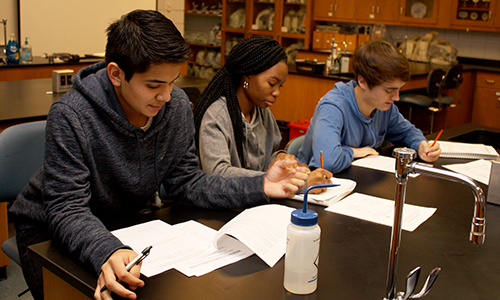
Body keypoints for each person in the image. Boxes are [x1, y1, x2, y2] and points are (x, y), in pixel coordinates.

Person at [8, 10, 308, 300]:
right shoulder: (72, 115)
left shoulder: (175, 106)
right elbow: (68, 209)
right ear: (116, 74)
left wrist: (261, 186)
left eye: (172, 82)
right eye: (154, 85)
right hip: (48, 228)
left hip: (123, 222)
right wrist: (107, 249)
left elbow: (187, 182)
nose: (166, 96)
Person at [193, 35, 331, 192]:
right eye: (271, 83)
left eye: (281, 86)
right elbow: (217, 173)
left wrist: (279, 159)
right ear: (247, 76)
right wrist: (287, 181)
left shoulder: (261, 110)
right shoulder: (217, 116)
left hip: (256, 200)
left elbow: (268, 156)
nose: (277, 92)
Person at [297, 40, 442, 174]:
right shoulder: (333, 106)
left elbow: (406, 132)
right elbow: (328, 161)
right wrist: (355, 152)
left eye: (398, 89)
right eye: (389, 90)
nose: (396, 97)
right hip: (316, 189)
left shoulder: (383, 106)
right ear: (363, 82)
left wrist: (421, 145)